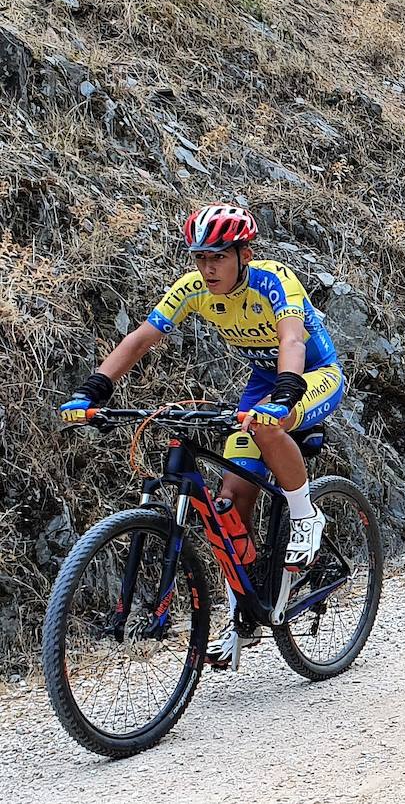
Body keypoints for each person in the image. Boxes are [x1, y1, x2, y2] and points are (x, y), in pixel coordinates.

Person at [58, 204, 346, 668]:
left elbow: (291, 341)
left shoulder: (274, 281)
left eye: (217, 256)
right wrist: (93, 390)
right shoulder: (192, 289)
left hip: (310, 373)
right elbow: (141, 338)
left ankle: (305, 515)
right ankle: (242, 620)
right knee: (228, 507)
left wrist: (287, 393)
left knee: (268, 423)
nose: (207, 267)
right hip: (262, 381)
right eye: (199, 257)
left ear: (243, 253)